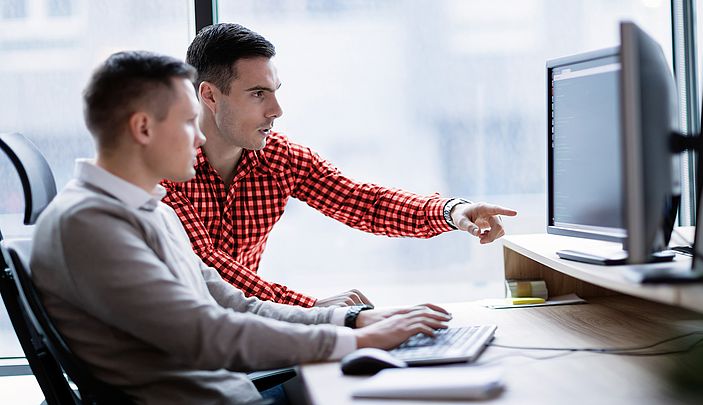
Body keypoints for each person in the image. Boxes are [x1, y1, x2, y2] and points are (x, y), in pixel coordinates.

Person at [30, 51, 451, 405]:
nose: (199, 140)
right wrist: (361, 344)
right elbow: (206, 333)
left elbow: (237, 306)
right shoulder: (87, 225)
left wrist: (353, 320)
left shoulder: (151, 212)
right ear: (143, 128)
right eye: (188, 122)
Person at [161, 23, 518, 307]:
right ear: (209, 95)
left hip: (244, 334)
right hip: (175, 348)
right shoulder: (163, 171)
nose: (276, 110)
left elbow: (362, 202)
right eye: (258, 94)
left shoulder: (279, 159)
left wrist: (451, 210)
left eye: (275, 91)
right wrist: (312, 308)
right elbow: (207, 270)